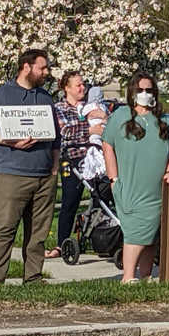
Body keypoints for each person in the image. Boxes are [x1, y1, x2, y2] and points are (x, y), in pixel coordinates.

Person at [0, 49, 61, 284]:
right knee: (4, 228)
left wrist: (54, 165)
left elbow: (55, 136)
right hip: (12, 174)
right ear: (26, 67)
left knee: (38, 233)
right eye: (42, 68)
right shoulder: (2, 95)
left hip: (44, 175)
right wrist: (7, 139)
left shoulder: (45, 98)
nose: (46, 72)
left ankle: (33, 278)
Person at [102, 71, 169, 283]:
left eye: (149, 90)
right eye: (140, 90)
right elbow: (107, 145)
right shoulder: (120, 116)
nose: (145, 94)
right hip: (131, 186)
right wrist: (114, 179)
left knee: (150, 234)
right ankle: (128, 277)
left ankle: (145, 276)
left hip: (156, 189)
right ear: (132, 92)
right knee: (135, 232)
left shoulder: (162, 119)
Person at [45, 72, 108, 258]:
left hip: (98, 159)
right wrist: (90, 130)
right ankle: (61, 243)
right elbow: (65, 132)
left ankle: (103, 237)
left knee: (103, 199)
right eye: (78, 85)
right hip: (73, 160)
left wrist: (103, 118)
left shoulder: (91, 106)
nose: (83, 88)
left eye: (84, 84)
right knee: (70, 203)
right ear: (67, 88)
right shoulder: (60, 109)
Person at [79, 86, 109, 180]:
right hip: (101, 130)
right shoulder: (103, 106)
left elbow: (82, 114)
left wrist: (80, 110)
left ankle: (96, 164)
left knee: (94, 146)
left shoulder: (89, 106)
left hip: (95, 132)